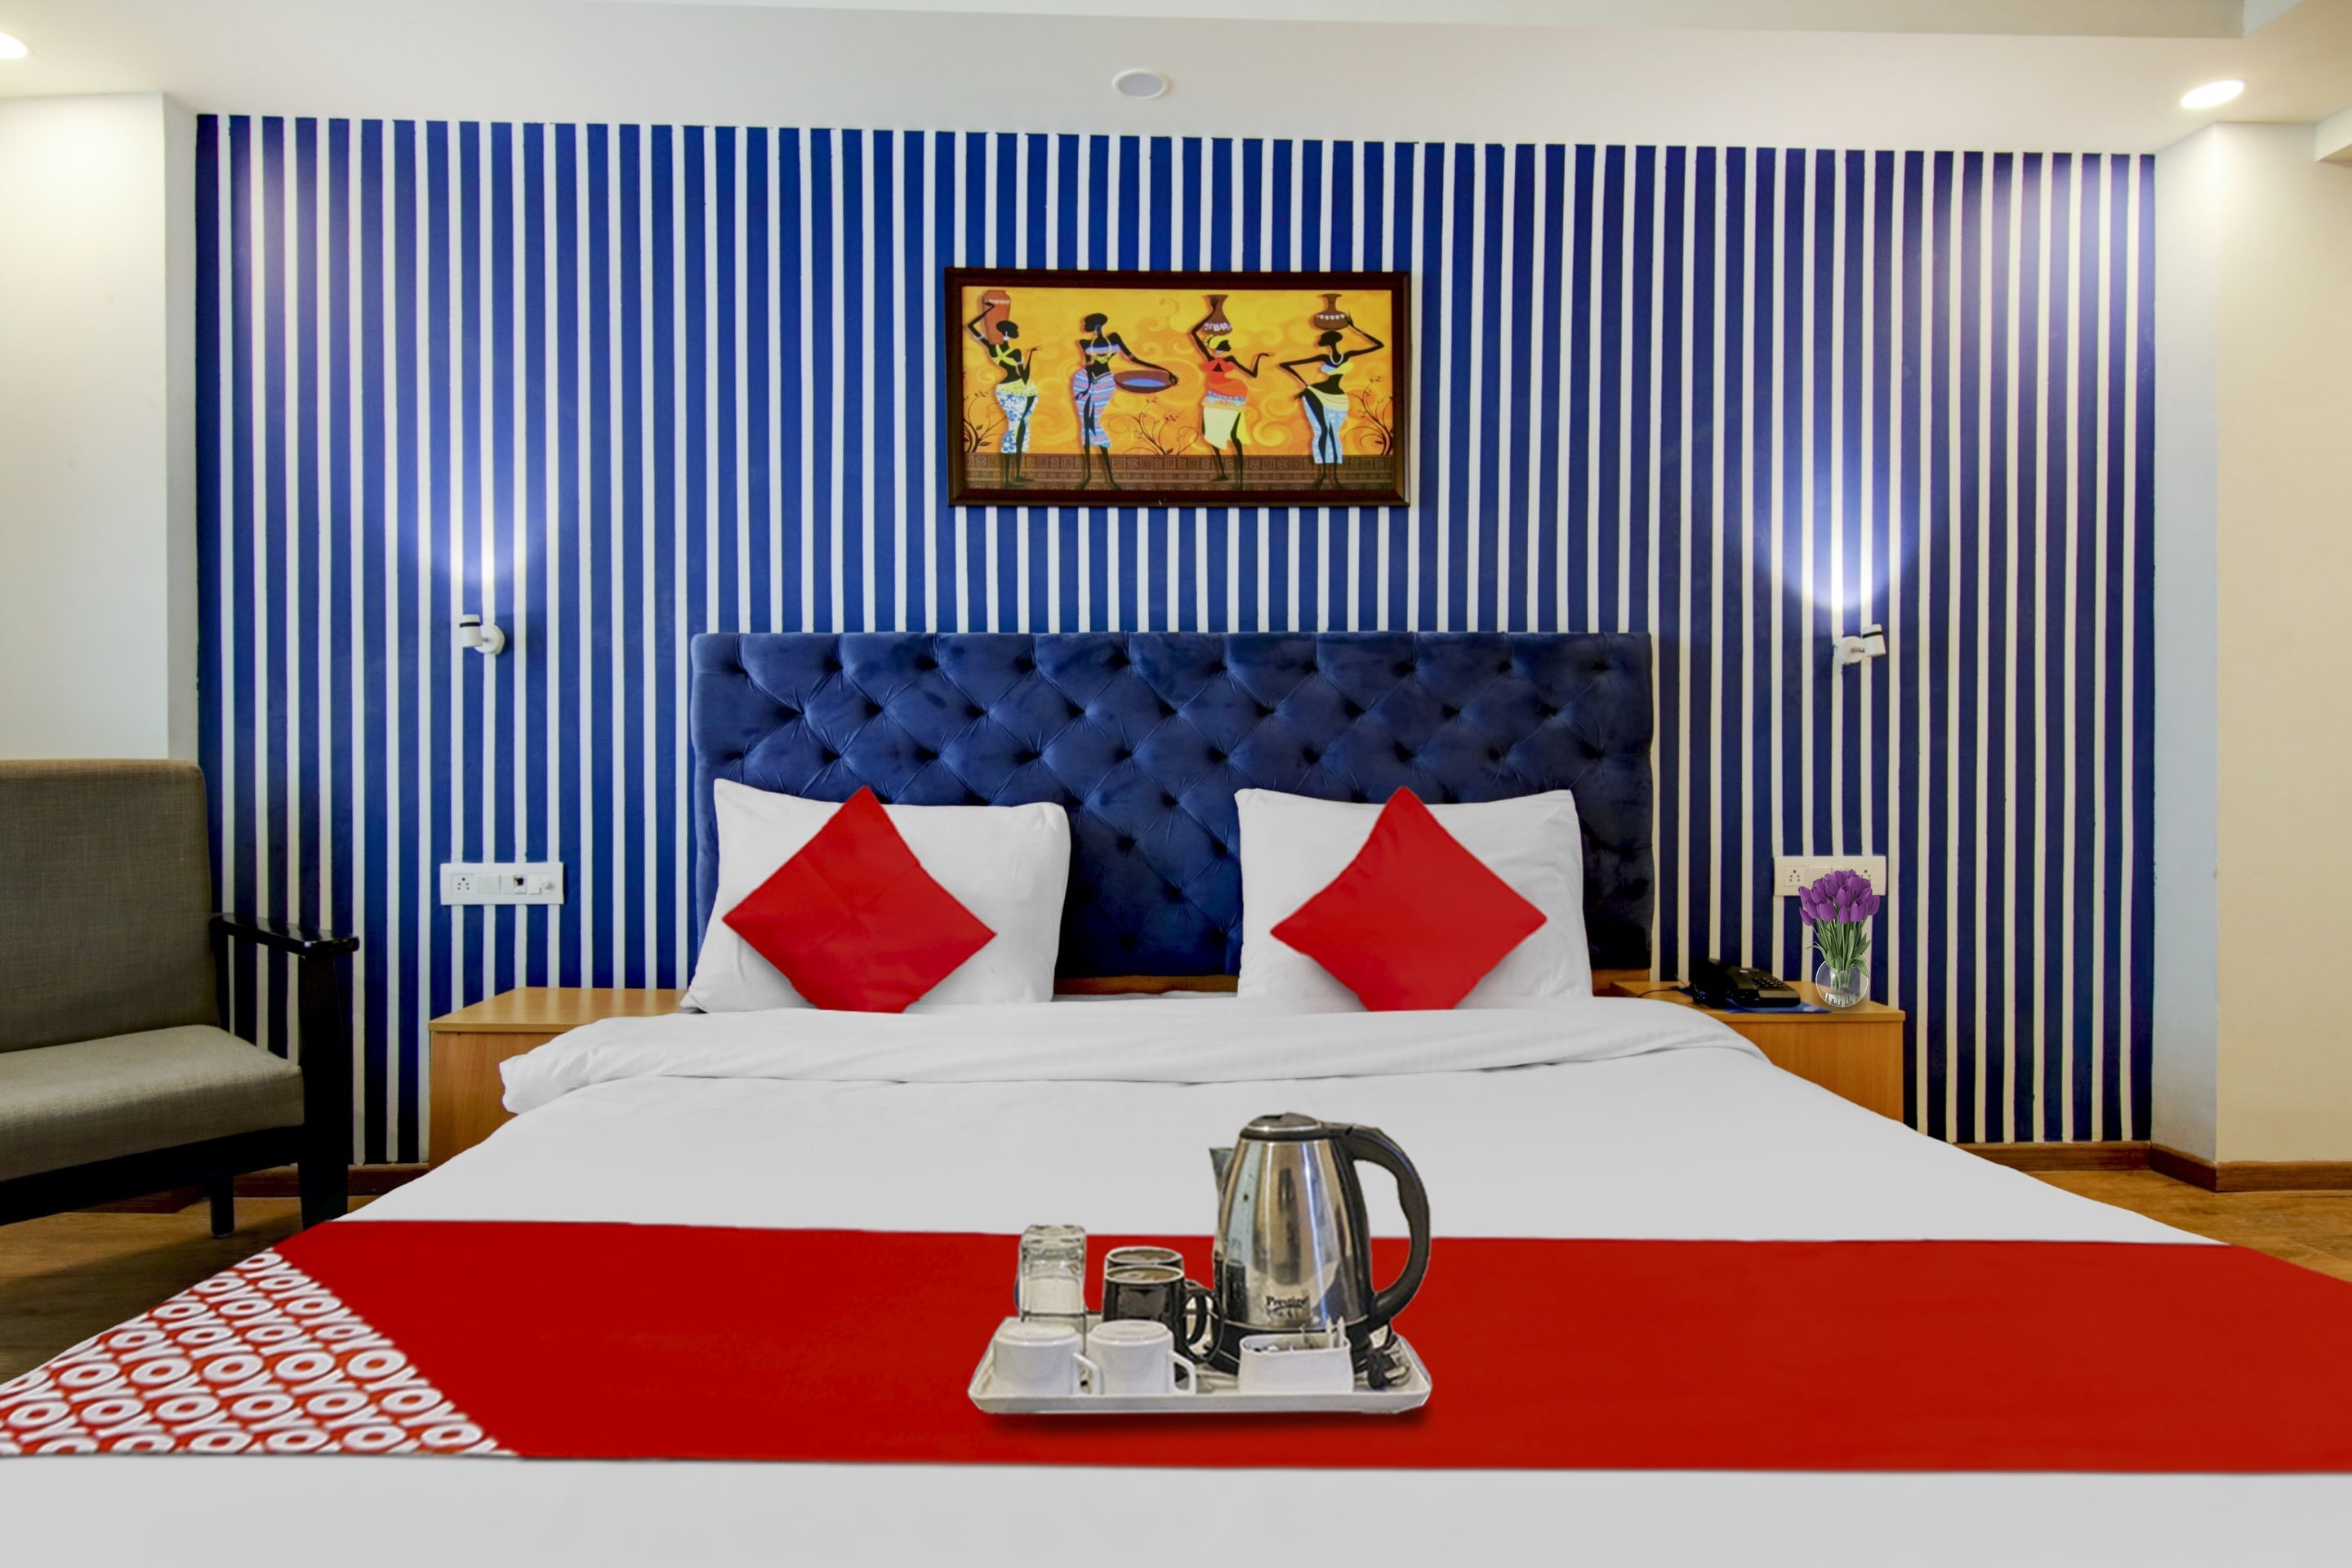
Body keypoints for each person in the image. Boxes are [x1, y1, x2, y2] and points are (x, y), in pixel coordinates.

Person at [1281, 316, 1386, 488]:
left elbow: (1379, 345)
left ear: (1329, 341)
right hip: (1317, 393)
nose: (1319, 341)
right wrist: (1306, 385)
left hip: (1337, 396)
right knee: (1323, 431)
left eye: (1322, 339)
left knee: (1333, 433)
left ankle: (1335, 477)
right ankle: (1323, 475)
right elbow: (1286, 364)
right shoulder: (1324, 357)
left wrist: (1355, 328)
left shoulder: (1346, 355)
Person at [1071, 312, 1169, 490]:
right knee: (1086, 424)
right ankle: (1089, 475)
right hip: (1084, 382)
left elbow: (1135, 359)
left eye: (1086, 323)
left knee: (1094, 423)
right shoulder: (1085, 343)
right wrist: (1086, 389)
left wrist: (1164, 370)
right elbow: (1089, 368)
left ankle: (1109, 477)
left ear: (1095, 325)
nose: (1083, 326)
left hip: (1105, 382)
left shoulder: (1114, 339)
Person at [1192, 306, 1267, 485]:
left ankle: (1241, 479)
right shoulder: (1211, 359)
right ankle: (1224, 473)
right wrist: (1212, 312)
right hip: (1214, 396)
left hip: (1232, 394)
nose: (1228, 345)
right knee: (1207, 432)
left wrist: (1258, 358)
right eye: (1225, 343)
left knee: (1233, 435)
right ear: (1218, 345)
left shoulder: (1229, 359)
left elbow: (1253, 374)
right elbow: (1194, 333)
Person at [967, 302, 1038, 485]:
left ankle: (1014, 476)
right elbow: (1024, 376)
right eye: (1015, 330)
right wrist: (1031, 355)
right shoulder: (1015, 353)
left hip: (1009, 390)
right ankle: (1009, 478)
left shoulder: (993, 348)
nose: (1017, 333)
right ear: (1008, 332)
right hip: (1020, 389)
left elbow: (971, 327)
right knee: (1017, 429)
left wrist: (989, 310)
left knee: (1019, 428)